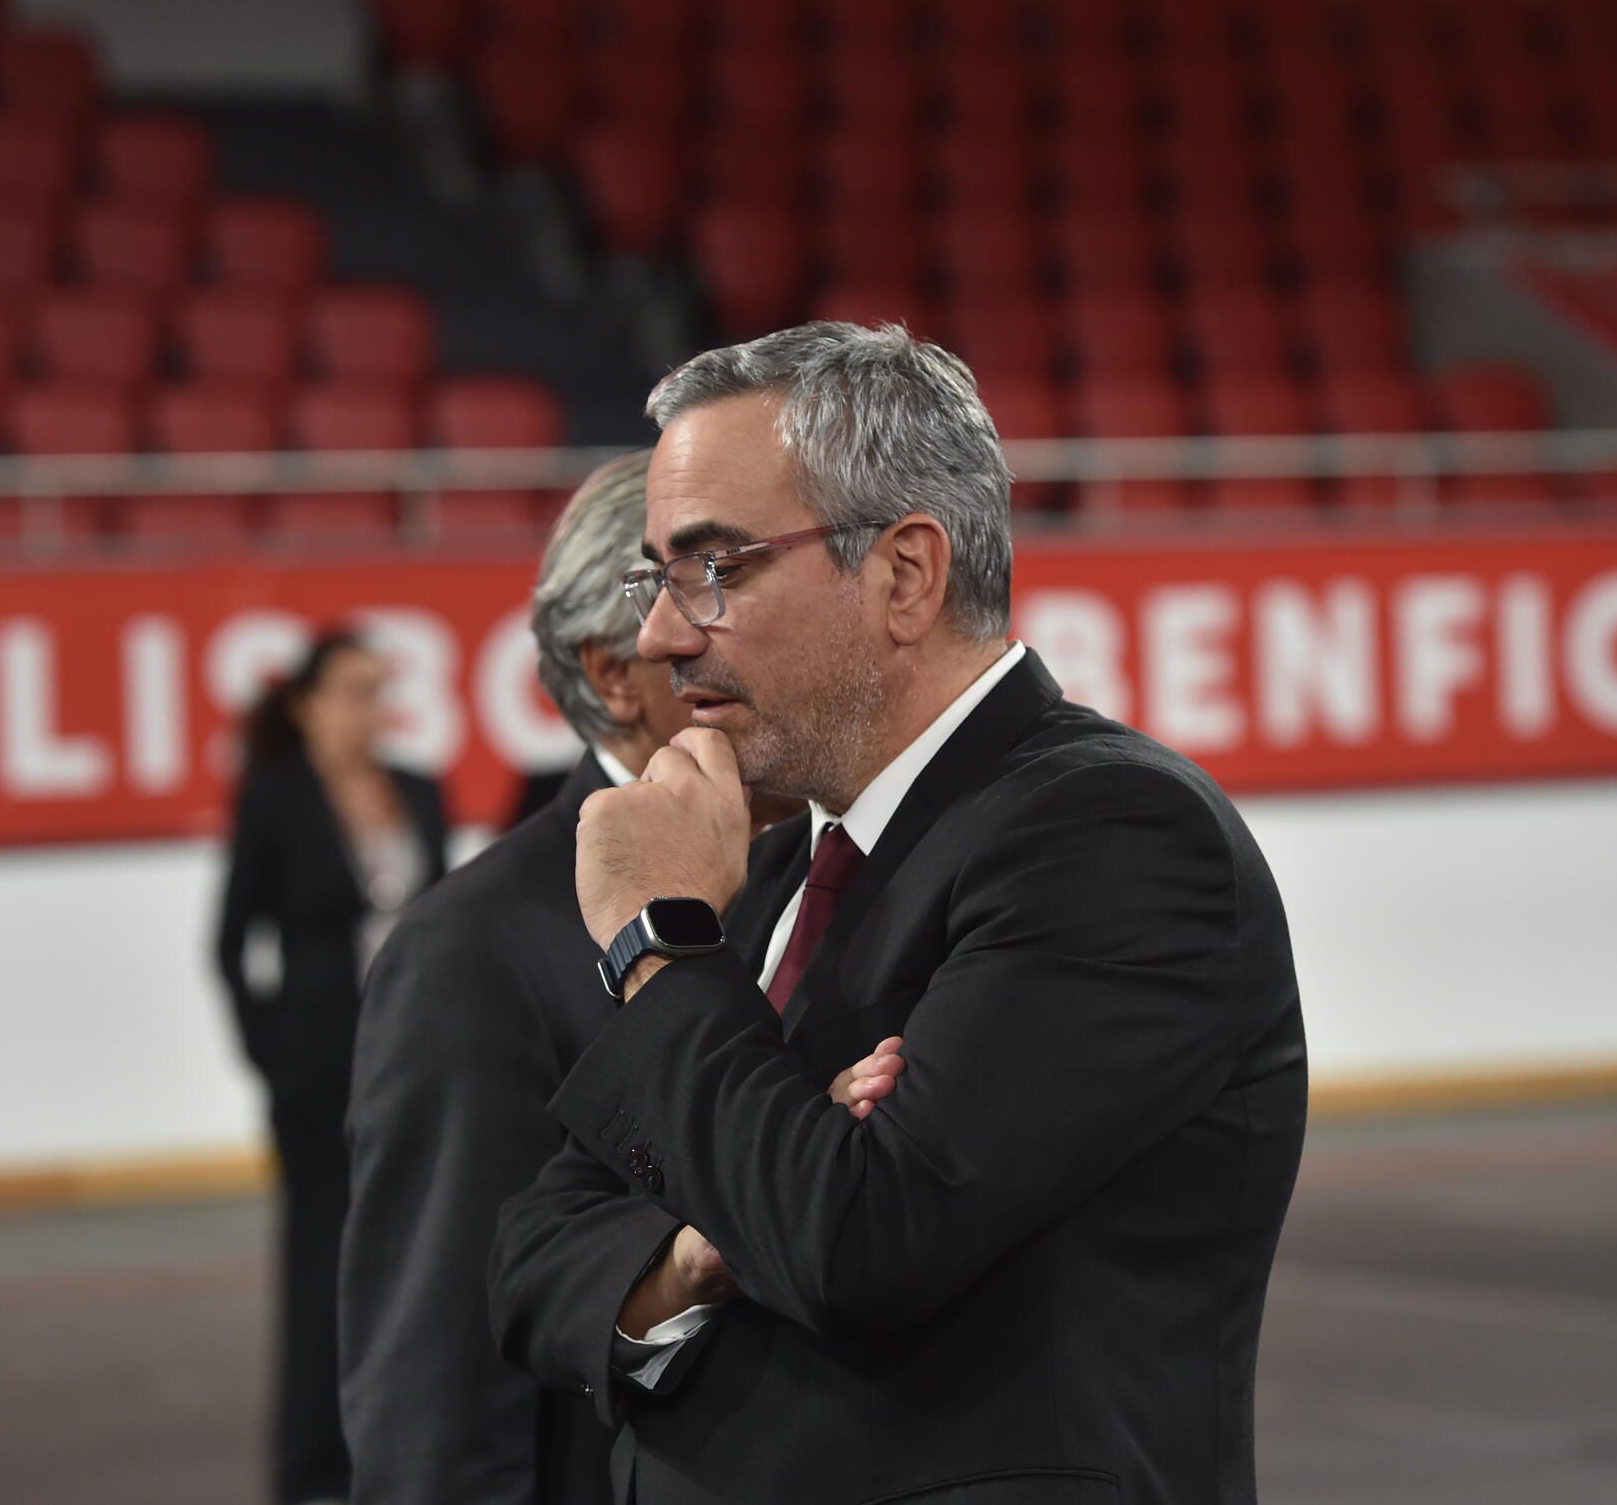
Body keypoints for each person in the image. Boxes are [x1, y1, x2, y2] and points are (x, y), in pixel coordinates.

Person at [489, 323, 1308, 1505]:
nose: (664, 634)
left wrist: (656, 945)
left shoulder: (1113, 839)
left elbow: (860, 1243)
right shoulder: (778, 866)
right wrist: (706, 1251)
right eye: (655, 577)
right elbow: (529, 1261)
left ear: (906, 575)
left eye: (714, 567)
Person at [339, 451, 896, 1505]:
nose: (738, 634)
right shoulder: (474, 949)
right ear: (614, 673)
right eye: (699, 595)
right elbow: (440, 1374)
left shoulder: (808, 867)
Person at [216, 627, 449, 1505]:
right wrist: (267, 1053)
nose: (368, 708)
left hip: (407, 1062)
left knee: (408, 1255)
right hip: (316, 1072)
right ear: (309, 705)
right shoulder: (275, 798)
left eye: (377, 689)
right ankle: (307, 1463)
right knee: (319, 1264)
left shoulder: (419, 789)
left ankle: (383, 1447)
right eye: (351, 690)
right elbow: (231, 941)